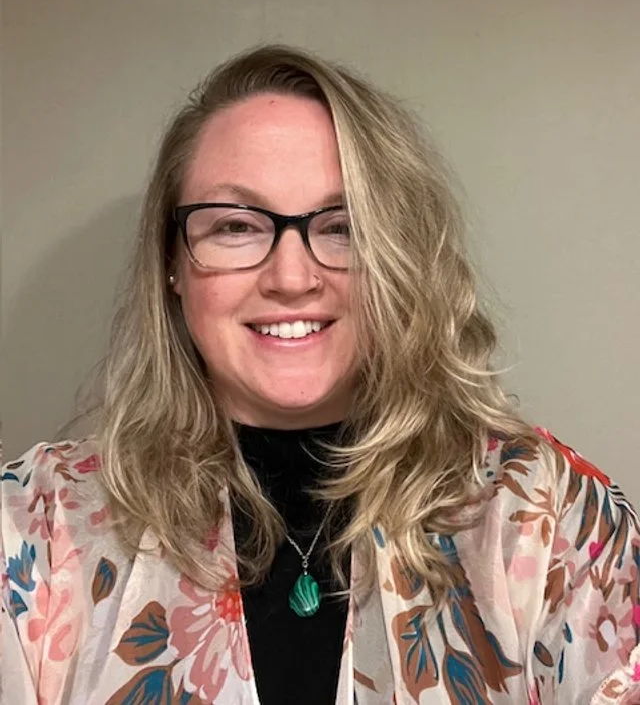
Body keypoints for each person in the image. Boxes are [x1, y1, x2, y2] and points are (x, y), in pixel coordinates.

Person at [1, 45, 639, 705]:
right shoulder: (33, 532)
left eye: (341, 227)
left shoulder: (546, 514)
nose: (292, 277)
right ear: (172, 262)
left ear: (399, 256)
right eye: (236, 225)